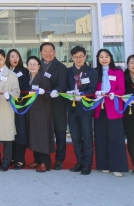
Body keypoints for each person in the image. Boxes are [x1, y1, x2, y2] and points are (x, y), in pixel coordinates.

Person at [93, 49, 128, 177]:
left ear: (111, 58)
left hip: (113, 108)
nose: (104, 59)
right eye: (101, 57)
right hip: (99, 109)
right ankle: (104, 165)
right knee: (101, 138)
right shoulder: (95, 72)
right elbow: (91, 89)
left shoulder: (118, 72)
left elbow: (121, 89)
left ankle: (117, 167)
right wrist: (96, 93)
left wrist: (115, 93)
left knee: (116, 139)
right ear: (98, 59)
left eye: (106, 56)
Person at [66, 45, 98, 176]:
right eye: (75, 57)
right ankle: (79, 161)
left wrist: (82, 94)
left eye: (81, 56)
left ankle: (87, 164)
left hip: (85, 107)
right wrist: (68, 92)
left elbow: (92, 89)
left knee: (87, 137)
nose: (78, 59)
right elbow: (65, 86)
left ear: (85, 56)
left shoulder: (92, 71)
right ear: (72, 57)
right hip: (72, 108)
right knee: (75, 137)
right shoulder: (68, 71)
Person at [0, 49, 21, 171]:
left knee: (7, 136)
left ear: (5, 59)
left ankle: (6, 161)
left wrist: (9, 96)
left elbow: (17, 92)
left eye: (1, 59)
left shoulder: (12, 75)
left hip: (6, 107)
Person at [40, 42, 68, 169]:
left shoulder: (61, 67)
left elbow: (62, 84)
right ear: (40, 53)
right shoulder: (37, 65)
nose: (48, 53)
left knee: (60, 132)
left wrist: (56, 91)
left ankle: (59, 159)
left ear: (55, 52)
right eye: (45, 51)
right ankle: (43, 159)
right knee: (43, 132)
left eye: (50, 50)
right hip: (42, 104)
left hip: (57, 104)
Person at [25, 56, 54, 172]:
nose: (32, 66)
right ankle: (37, 160)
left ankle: (45, 163)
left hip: (41, 111)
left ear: (39, 66)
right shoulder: (28, 78)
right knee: (34, 136)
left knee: (42, 137)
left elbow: (49, 95)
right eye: (30, 64)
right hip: (31, 110)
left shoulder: (43, 78)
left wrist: (43, 93)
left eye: (35, 64)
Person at [7, 49, 29, 169]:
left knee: (20, 131)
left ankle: (20, 159)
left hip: (19, 105)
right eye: (12, 56)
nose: (15, 59)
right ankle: (11, 157)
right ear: (8, 58)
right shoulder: (5, 70)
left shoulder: (23, 71)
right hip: (6, 105)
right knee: (10, 131)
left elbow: (25, 87)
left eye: (17, 56)